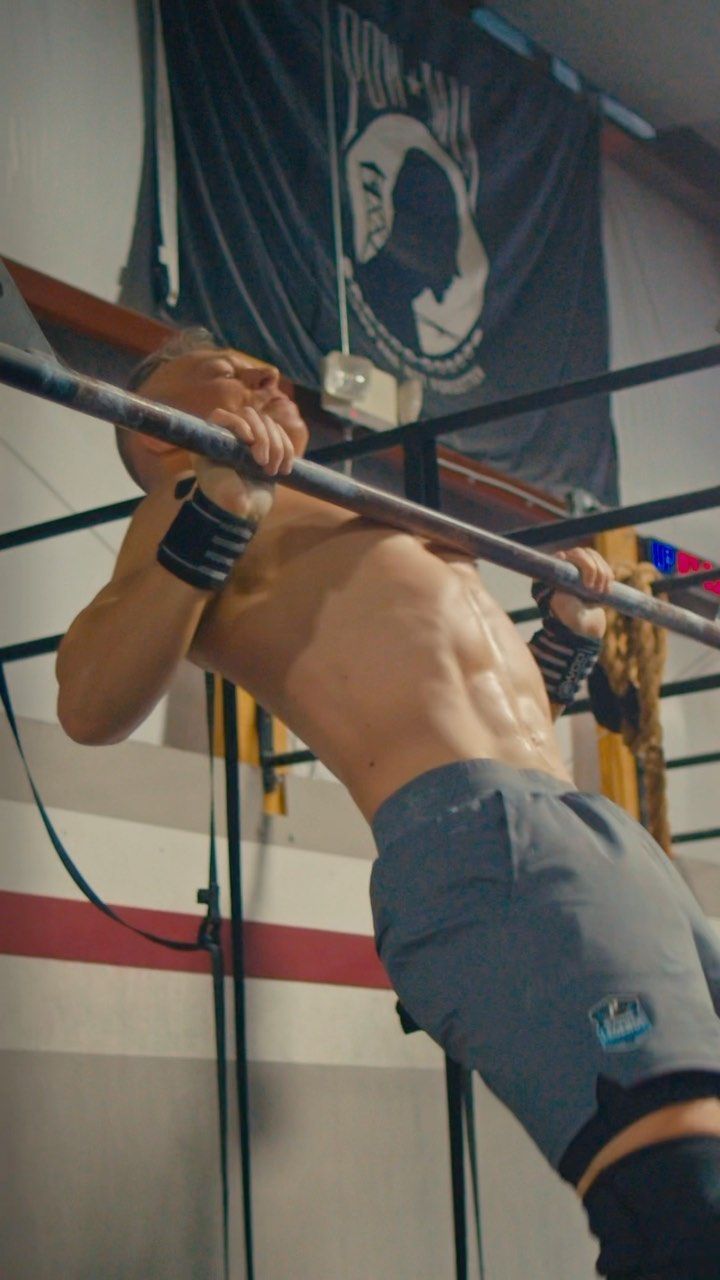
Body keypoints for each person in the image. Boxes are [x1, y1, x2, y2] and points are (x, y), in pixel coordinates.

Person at [56, 332, 720, 1279]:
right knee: (685, 1201)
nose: (265, 376)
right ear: (162, 435)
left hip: (577, 831)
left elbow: (502, 718)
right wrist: (220, 503)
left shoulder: (358, 513)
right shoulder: (189, 499)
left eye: (263, 367)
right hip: (482, 843)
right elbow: (86, 706)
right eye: (228, 371)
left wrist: (566, 636)